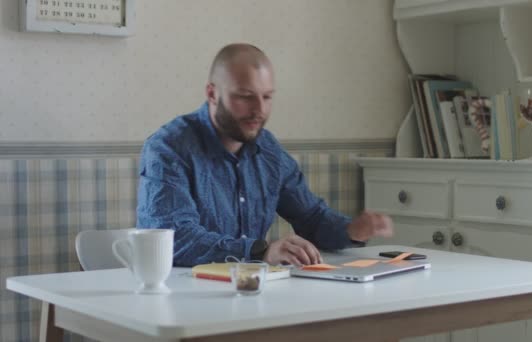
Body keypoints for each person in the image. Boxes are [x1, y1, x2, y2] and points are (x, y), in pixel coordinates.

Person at [137, 43, 393, 267]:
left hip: (251, 294)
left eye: (267, 97)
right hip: (183, 299)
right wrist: (261, 252)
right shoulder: (168, 148)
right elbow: (174, 239)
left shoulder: (268, 150)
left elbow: (311, 217)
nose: (259, 110)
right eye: (245, 97)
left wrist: (351, 230)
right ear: (212, 94)